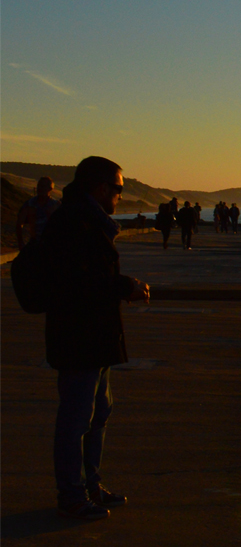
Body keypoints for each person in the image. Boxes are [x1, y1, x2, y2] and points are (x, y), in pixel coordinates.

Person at [44, 156, 149, 520]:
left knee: (98, 412)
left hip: (96, 335)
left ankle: (90, 485)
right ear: (101, 188)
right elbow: (78, 282)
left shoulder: (87, 220)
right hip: (79, 337)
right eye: (118, 190)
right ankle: (72, 495)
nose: (120, 197)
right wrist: (126, 287)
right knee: (76, 418)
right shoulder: (76, 222)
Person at [16, 176, 61, 249]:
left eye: (43, 186)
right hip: (34, 243)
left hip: (51, 245)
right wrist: (20, 242)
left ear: (50, 189)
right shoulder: (29, 204)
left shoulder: (56, 205)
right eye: (39, 186)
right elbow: (19, 223)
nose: (40, 188)